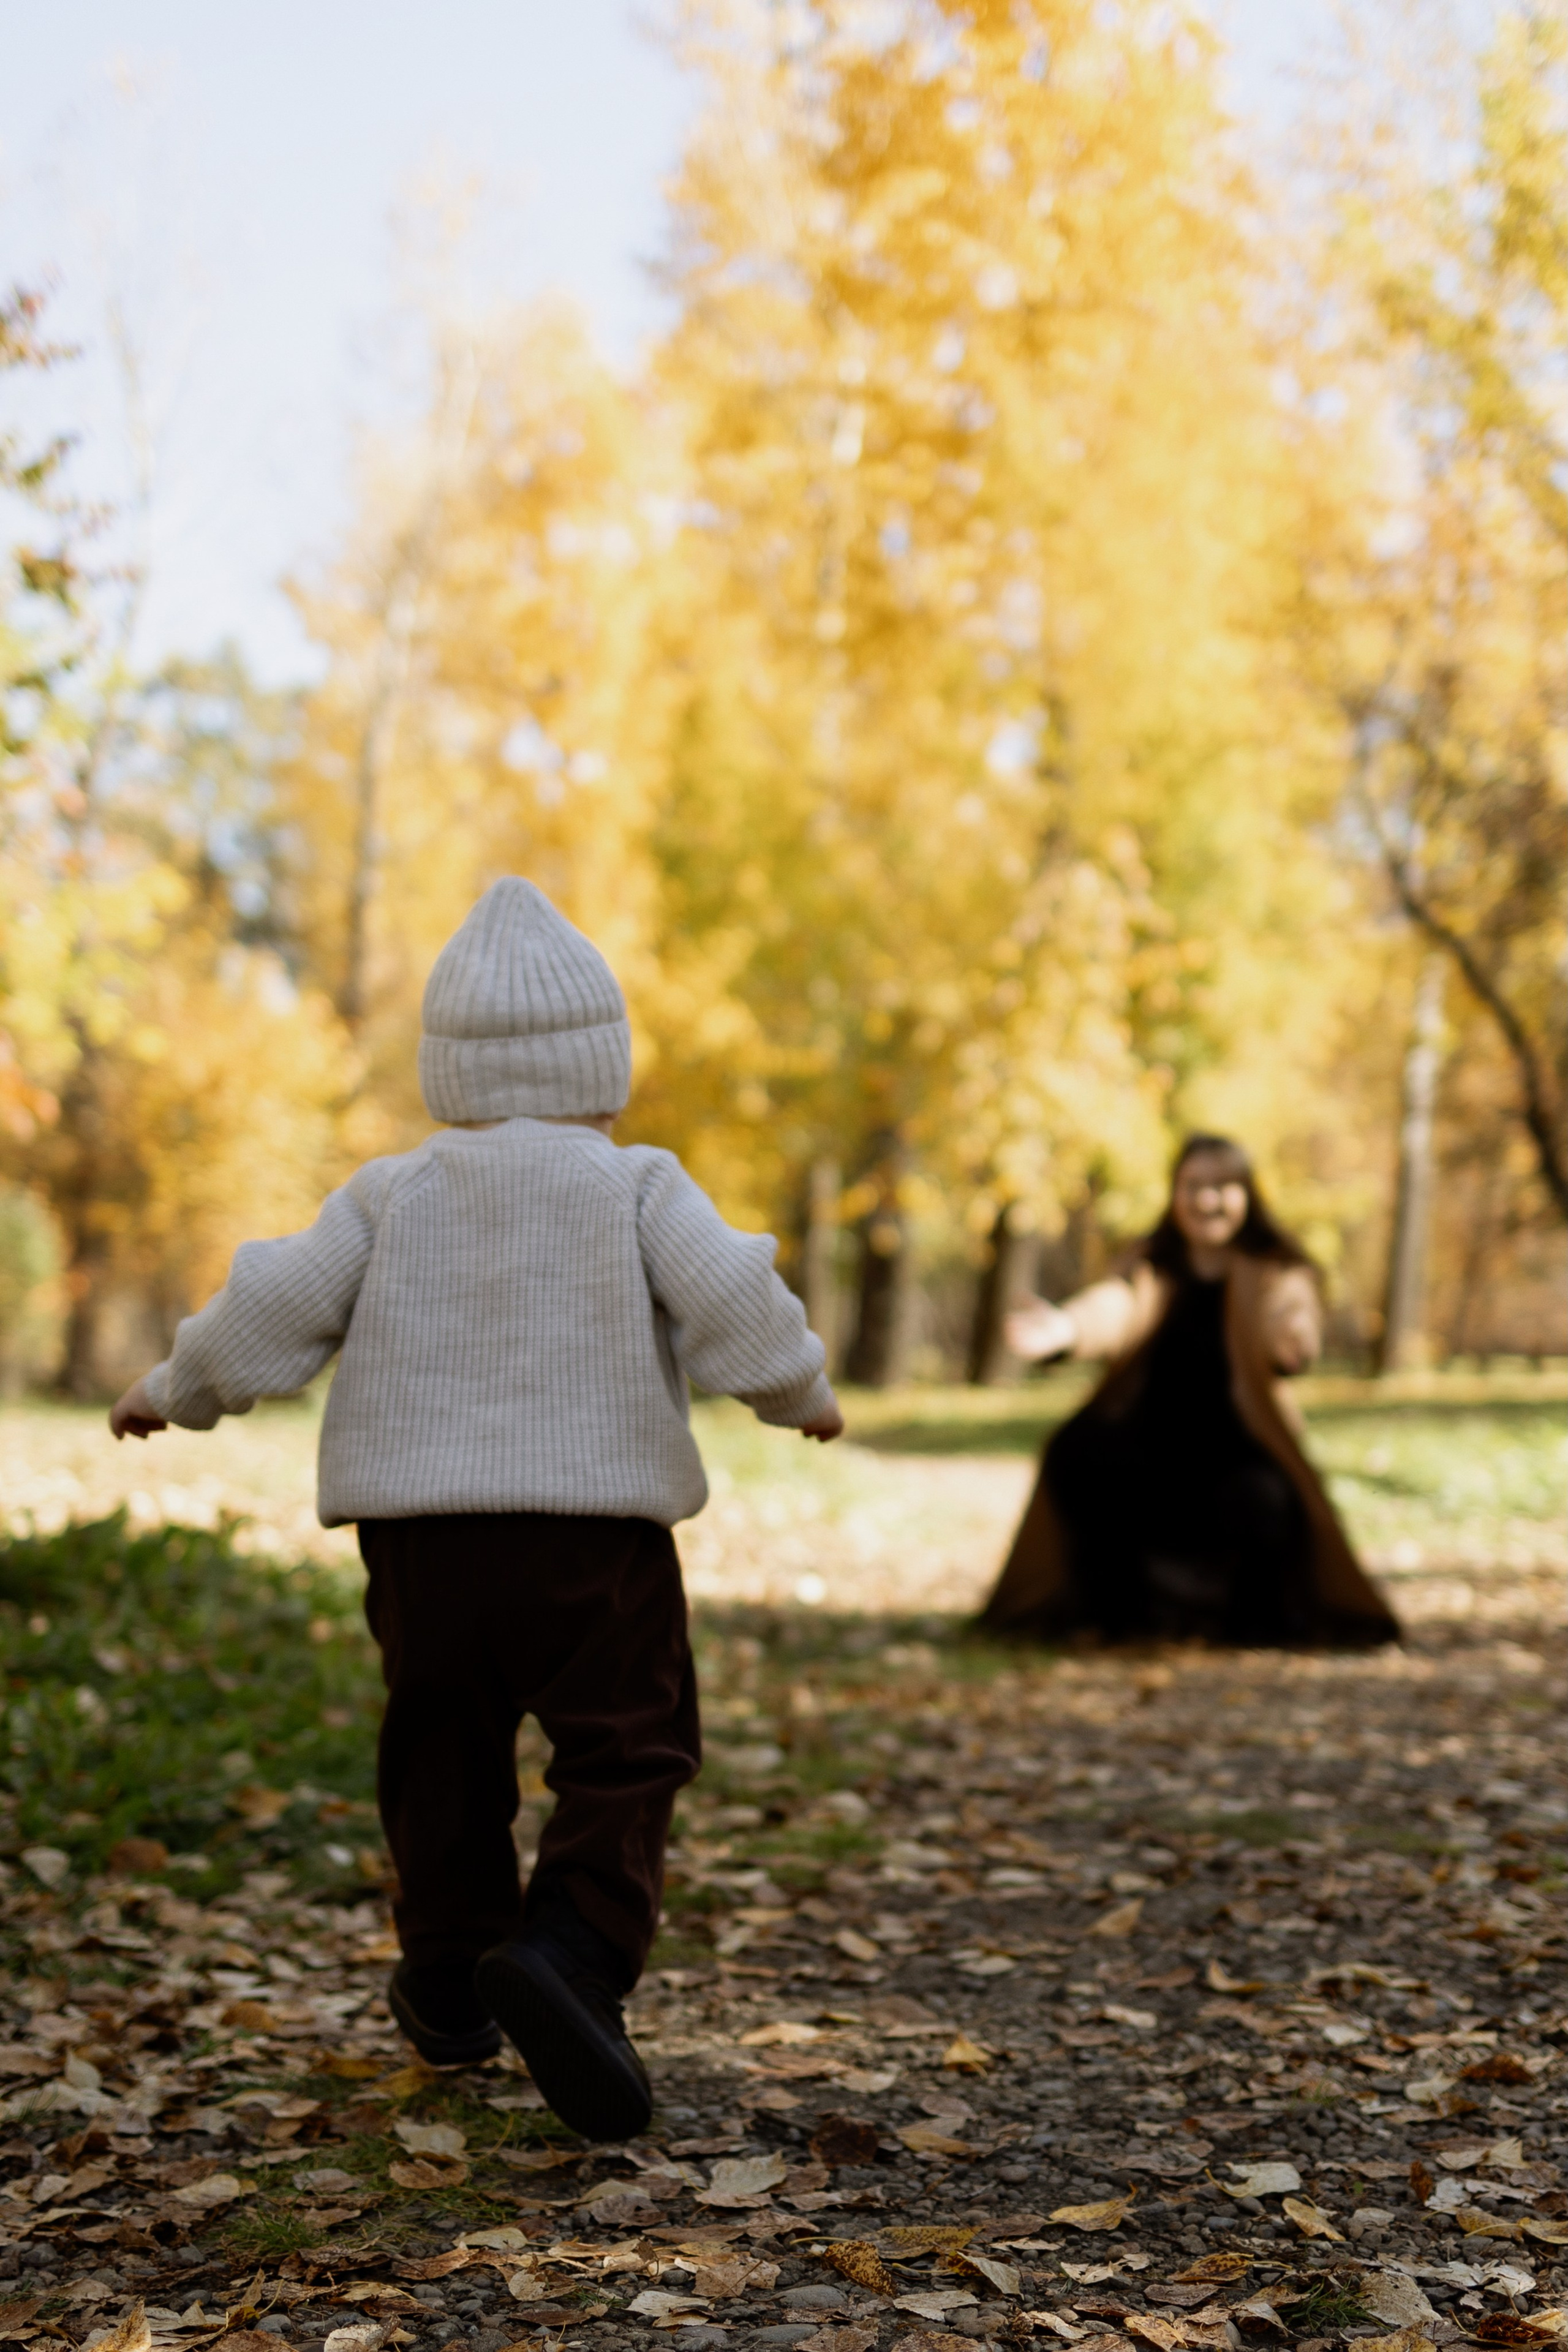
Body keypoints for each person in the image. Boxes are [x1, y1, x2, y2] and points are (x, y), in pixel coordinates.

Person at [108, 877, 843, 2139]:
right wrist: (798, 1390)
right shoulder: (635, 1183)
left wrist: (178, 1385)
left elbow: (274, 1304)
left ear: (448, 1071)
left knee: (439, 1747)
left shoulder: (394, 1192)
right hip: (594, 1540)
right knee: (629, 1746)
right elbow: (732, 1294)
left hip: (423, 1543)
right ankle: (568, 1953)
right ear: (598, 1069)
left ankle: (450, 1976)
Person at [979, 1134, 1398, 1648]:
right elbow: (1115, 1306)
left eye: (1222, 1186)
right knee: (1076, 1449)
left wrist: (1293, 1336)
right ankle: (1116, 1616)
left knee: (1262, 1499)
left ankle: (1246, 1624)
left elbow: (1289, 1311)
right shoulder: (1153, 1265)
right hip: (1150, 1445)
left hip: (1237, 1451)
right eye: (1193, 1186)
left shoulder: (1273, 1267)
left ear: (1248, 1194)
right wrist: (1067, 1329)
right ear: (1174, 1194)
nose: (1207, 1200)